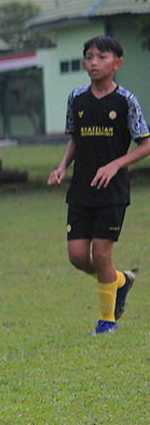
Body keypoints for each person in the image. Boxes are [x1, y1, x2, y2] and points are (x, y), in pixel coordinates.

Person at [47, 34, 150, 335]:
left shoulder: (127, 101)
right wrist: (63, 166)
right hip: (81, 189)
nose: (94, 62)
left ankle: (107, 322)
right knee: (78, 256)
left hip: (113, 191)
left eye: (101, 57)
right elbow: (75, 139)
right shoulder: (76, 98)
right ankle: (119, 280)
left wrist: (116, 163)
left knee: (102, 256)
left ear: (117, 63)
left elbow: (145, 145)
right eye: (89, 57)